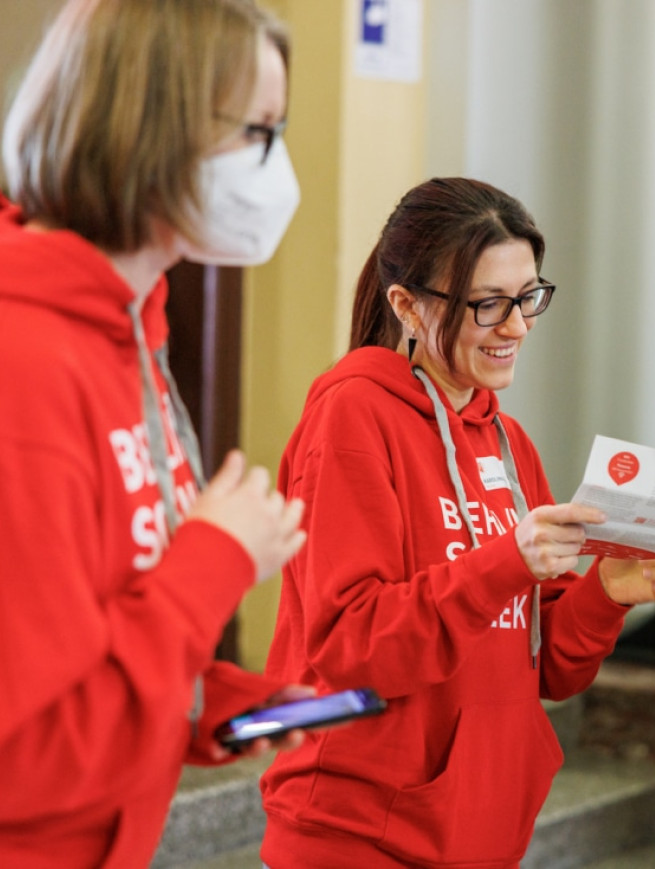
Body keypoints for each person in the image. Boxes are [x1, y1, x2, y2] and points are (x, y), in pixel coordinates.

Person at [259, 176, 655, 867]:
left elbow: (547, 666)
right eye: (489, 305)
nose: (516, 326)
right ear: (406, 304)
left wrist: (606, 591)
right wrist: (504, 564)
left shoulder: (509, 443)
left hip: (475, 833)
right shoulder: (352, 417)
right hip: (358, 832)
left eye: (527, 298)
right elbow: (353, 647)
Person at [0, 1, 308, 866]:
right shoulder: (24, 359)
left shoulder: (131, 330)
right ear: (153, 126)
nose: (275, 169)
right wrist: (215, 562)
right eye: (256, 132)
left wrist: (207, 701)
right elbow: (23, 757)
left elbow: (95, 627)